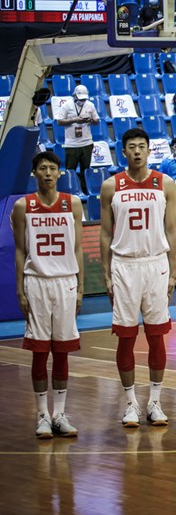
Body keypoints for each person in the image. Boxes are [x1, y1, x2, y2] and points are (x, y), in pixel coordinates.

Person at [99, 128, 176, 427]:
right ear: (123, 151)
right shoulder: (111, 186)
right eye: (131, 147)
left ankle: (154, 402)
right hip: (124, 265)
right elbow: (105, 232)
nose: (136, 152)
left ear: (148, 151)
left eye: (141, 147)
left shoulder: (164, 183)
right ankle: (131, 403)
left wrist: (172, 272)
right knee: (126, 337)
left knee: (157, 336)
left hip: (155, 263)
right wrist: (107, 273)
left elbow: (171, 230)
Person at [13, 152, 84, 438]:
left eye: (52, 168)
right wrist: (19, 288)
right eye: (42, 168)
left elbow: (78, 247)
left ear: (59, 173)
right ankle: (42, 414)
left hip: (65, 281)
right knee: (40, 351)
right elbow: (20, 251)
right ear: (34, 173)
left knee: (63, 350)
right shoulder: (23, 206)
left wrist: (80, 287)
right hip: (37, 281)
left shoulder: (72, 203)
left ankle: (60, 414)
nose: (47, 173)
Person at [56, 85, 100, 187]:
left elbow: (96, 120)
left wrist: (90, 120)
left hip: (87, 143)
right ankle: (70, 189)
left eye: (84, 99)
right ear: (75, 95)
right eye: (81, 99)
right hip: (72, 144)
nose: (82, 101)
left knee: (86, 170)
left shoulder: (90, 105)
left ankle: (85, 190)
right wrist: (75, 120)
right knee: (70, 170)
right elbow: (59, 121)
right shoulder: (67, 105)